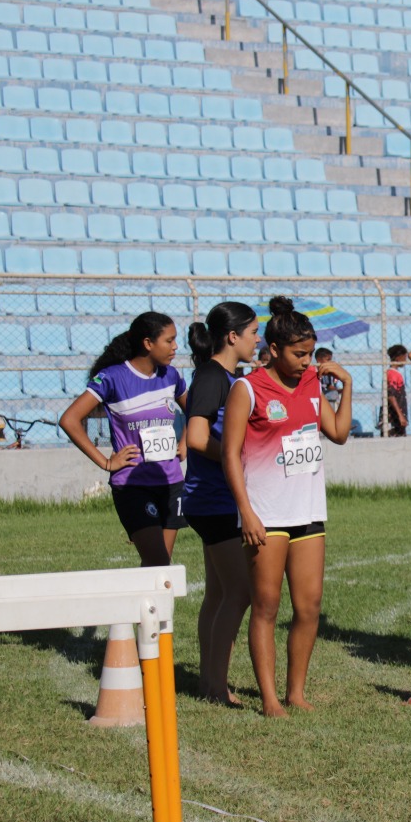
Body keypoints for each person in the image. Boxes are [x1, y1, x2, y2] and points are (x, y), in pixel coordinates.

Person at [221, 296, 353, 717]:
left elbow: (338, 433)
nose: (306, 361)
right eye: (299, 354)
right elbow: (230, 454)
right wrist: (247, 512)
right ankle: (270, 699)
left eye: (310, 353)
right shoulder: (247, 388)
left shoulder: (314, 383)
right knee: (266, 606)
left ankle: (296, 691)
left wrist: (347, 386)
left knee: (309, 606)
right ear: (273, 350)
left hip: (309, 513)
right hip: (267, 515)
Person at [60, 312, 188, 568]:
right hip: (133, 485)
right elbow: (69, 420)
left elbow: (196, 410)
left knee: (160, 568)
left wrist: (184, 442)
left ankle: (148, 609)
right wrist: (106, 462)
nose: (175, 347)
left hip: (171, 482)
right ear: (148, 343)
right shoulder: (112, 378)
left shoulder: (171, 376)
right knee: (158, 561)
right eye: (169, 340)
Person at [183, 301, 260, 707]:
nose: (257, 339)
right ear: (233, 336)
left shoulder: (225, 376)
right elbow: (197, 437)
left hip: (211, 497)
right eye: (252, 333)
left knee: (218, 594)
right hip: (212, 499)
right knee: (241, 591)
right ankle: (216, 685)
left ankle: (209, 681)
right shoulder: (213, 376)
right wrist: (235, 456)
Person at [384, 344, 409, 434]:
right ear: (398, 357)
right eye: (404, 357)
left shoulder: (395, 373)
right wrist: (400, 415)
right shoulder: (392, 374)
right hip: (393, 418)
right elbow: (391, 395)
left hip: (397, 416)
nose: (406, 360)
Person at [315, 347, 343, 413]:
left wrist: (336, 379)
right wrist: (338, 390)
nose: (330, 362)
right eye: (328, 360)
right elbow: (328, 386)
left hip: (330, 398)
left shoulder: (330, 372)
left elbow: (334, 382)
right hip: (323, 399)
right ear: (319, 360)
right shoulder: (317, 372)